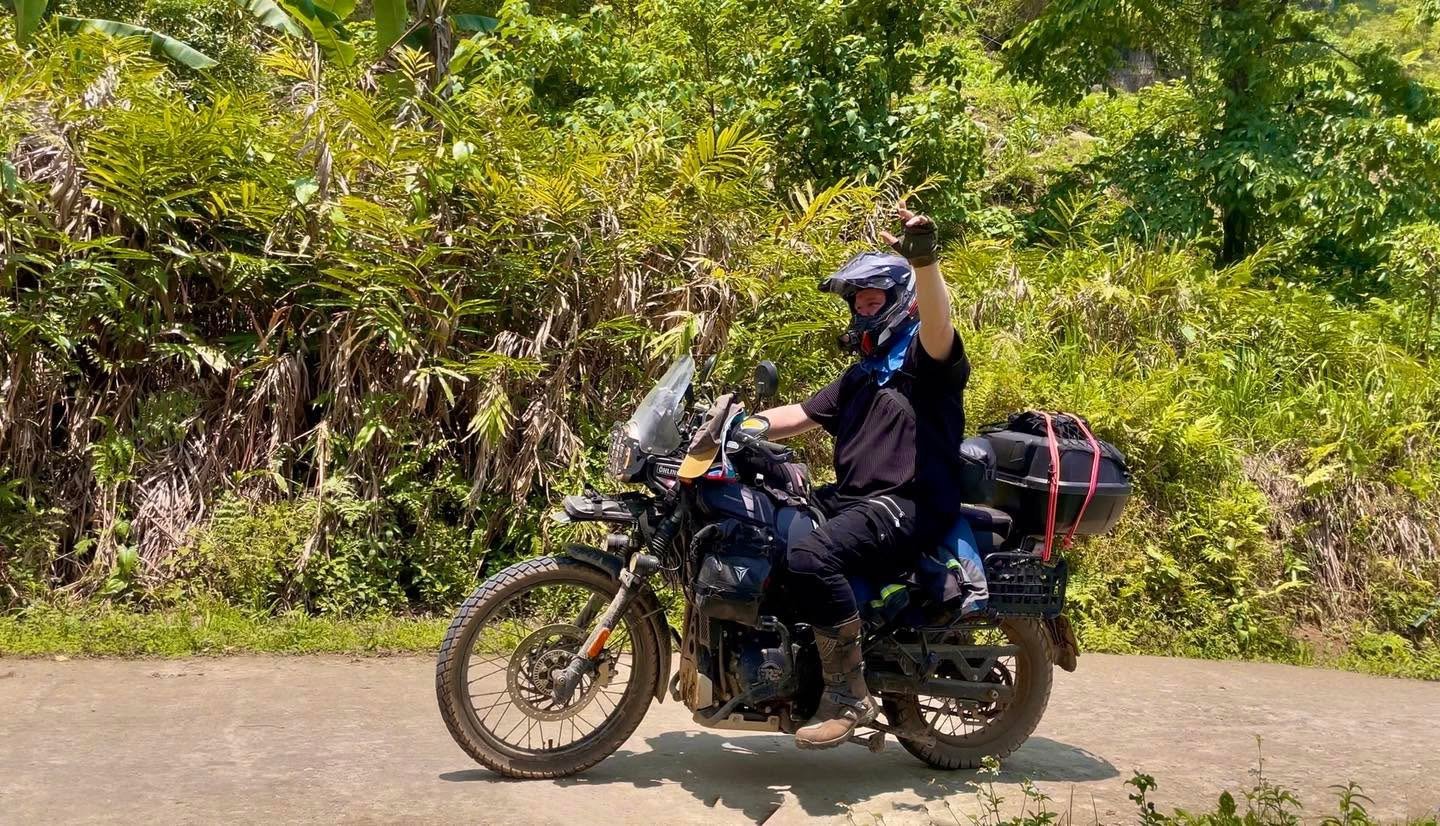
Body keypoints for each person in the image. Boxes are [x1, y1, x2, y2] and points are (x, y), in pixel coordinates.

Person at [759, 205, 972, 750]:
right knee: (773, 533)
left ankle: (848, 692)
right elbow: (799, 415)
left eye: (872, 300)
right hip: (859, 499)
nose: (861, 311)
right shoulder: (862, 375)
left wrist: (922, 257)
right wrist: (731, 424)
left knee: (812, 556)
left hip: (910, 501)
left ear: (897, 302)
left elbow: (938, 320)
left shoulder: (927, 360)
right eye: (857, 302)